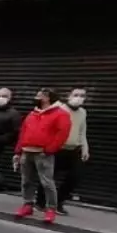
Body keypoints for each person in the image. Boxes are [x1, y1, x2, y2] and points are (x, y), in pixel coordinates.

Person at [13, 87, 71, 224]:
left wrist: (50, 149)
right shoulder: (32, 114)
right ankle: (27, 205)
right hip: (27, 151)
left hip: (43, 153)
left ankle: (51, 209)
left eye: (39, 95)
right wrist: (18, 151)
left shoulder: (60, 114)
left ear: (47, 97)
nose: (36, 97)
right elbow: (23, 132)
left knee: (47, 182)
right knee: (26, 181)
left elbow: (62, 134)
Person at [51, 88, 89, 214]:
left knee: (75, 176)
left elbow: (82, 131)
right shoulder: (60, 110)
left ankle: (59, 202)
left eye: (82, 95)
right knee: (49, 177)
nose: (79, 97)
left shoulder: (83, 112)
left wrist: (85, 148)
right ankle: (41, 202)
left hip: (74, 149)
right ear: (69, 96)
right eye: (76, 95)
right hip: (58, 149)